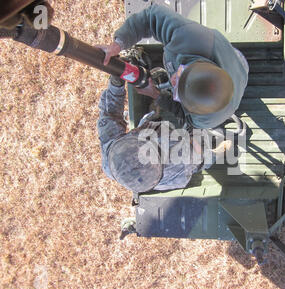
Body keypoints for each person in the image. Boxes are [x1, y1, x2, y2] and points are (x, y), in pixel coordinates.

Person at [97, 3, 249, 129]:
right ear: (200, 64)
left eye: (177, 92)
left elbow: (184, 116)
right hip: (233, 62)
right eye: (181, 75)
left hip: (238, 75)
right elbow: (151, 17)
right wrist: (118, 44)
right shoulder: (190, 37)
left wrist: (156, 95)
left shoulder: (205, 120)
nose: (173, 82)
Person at [97, 74, 231, 193]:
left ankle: (155, 115)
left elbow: (110, 112)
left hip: (150, 134)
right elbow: (202, 157)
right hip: (174, 165)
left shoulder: (113, 153)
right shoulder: (177, 164)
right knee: (196, 148)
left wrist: (117, 83)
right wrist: (221, 149)